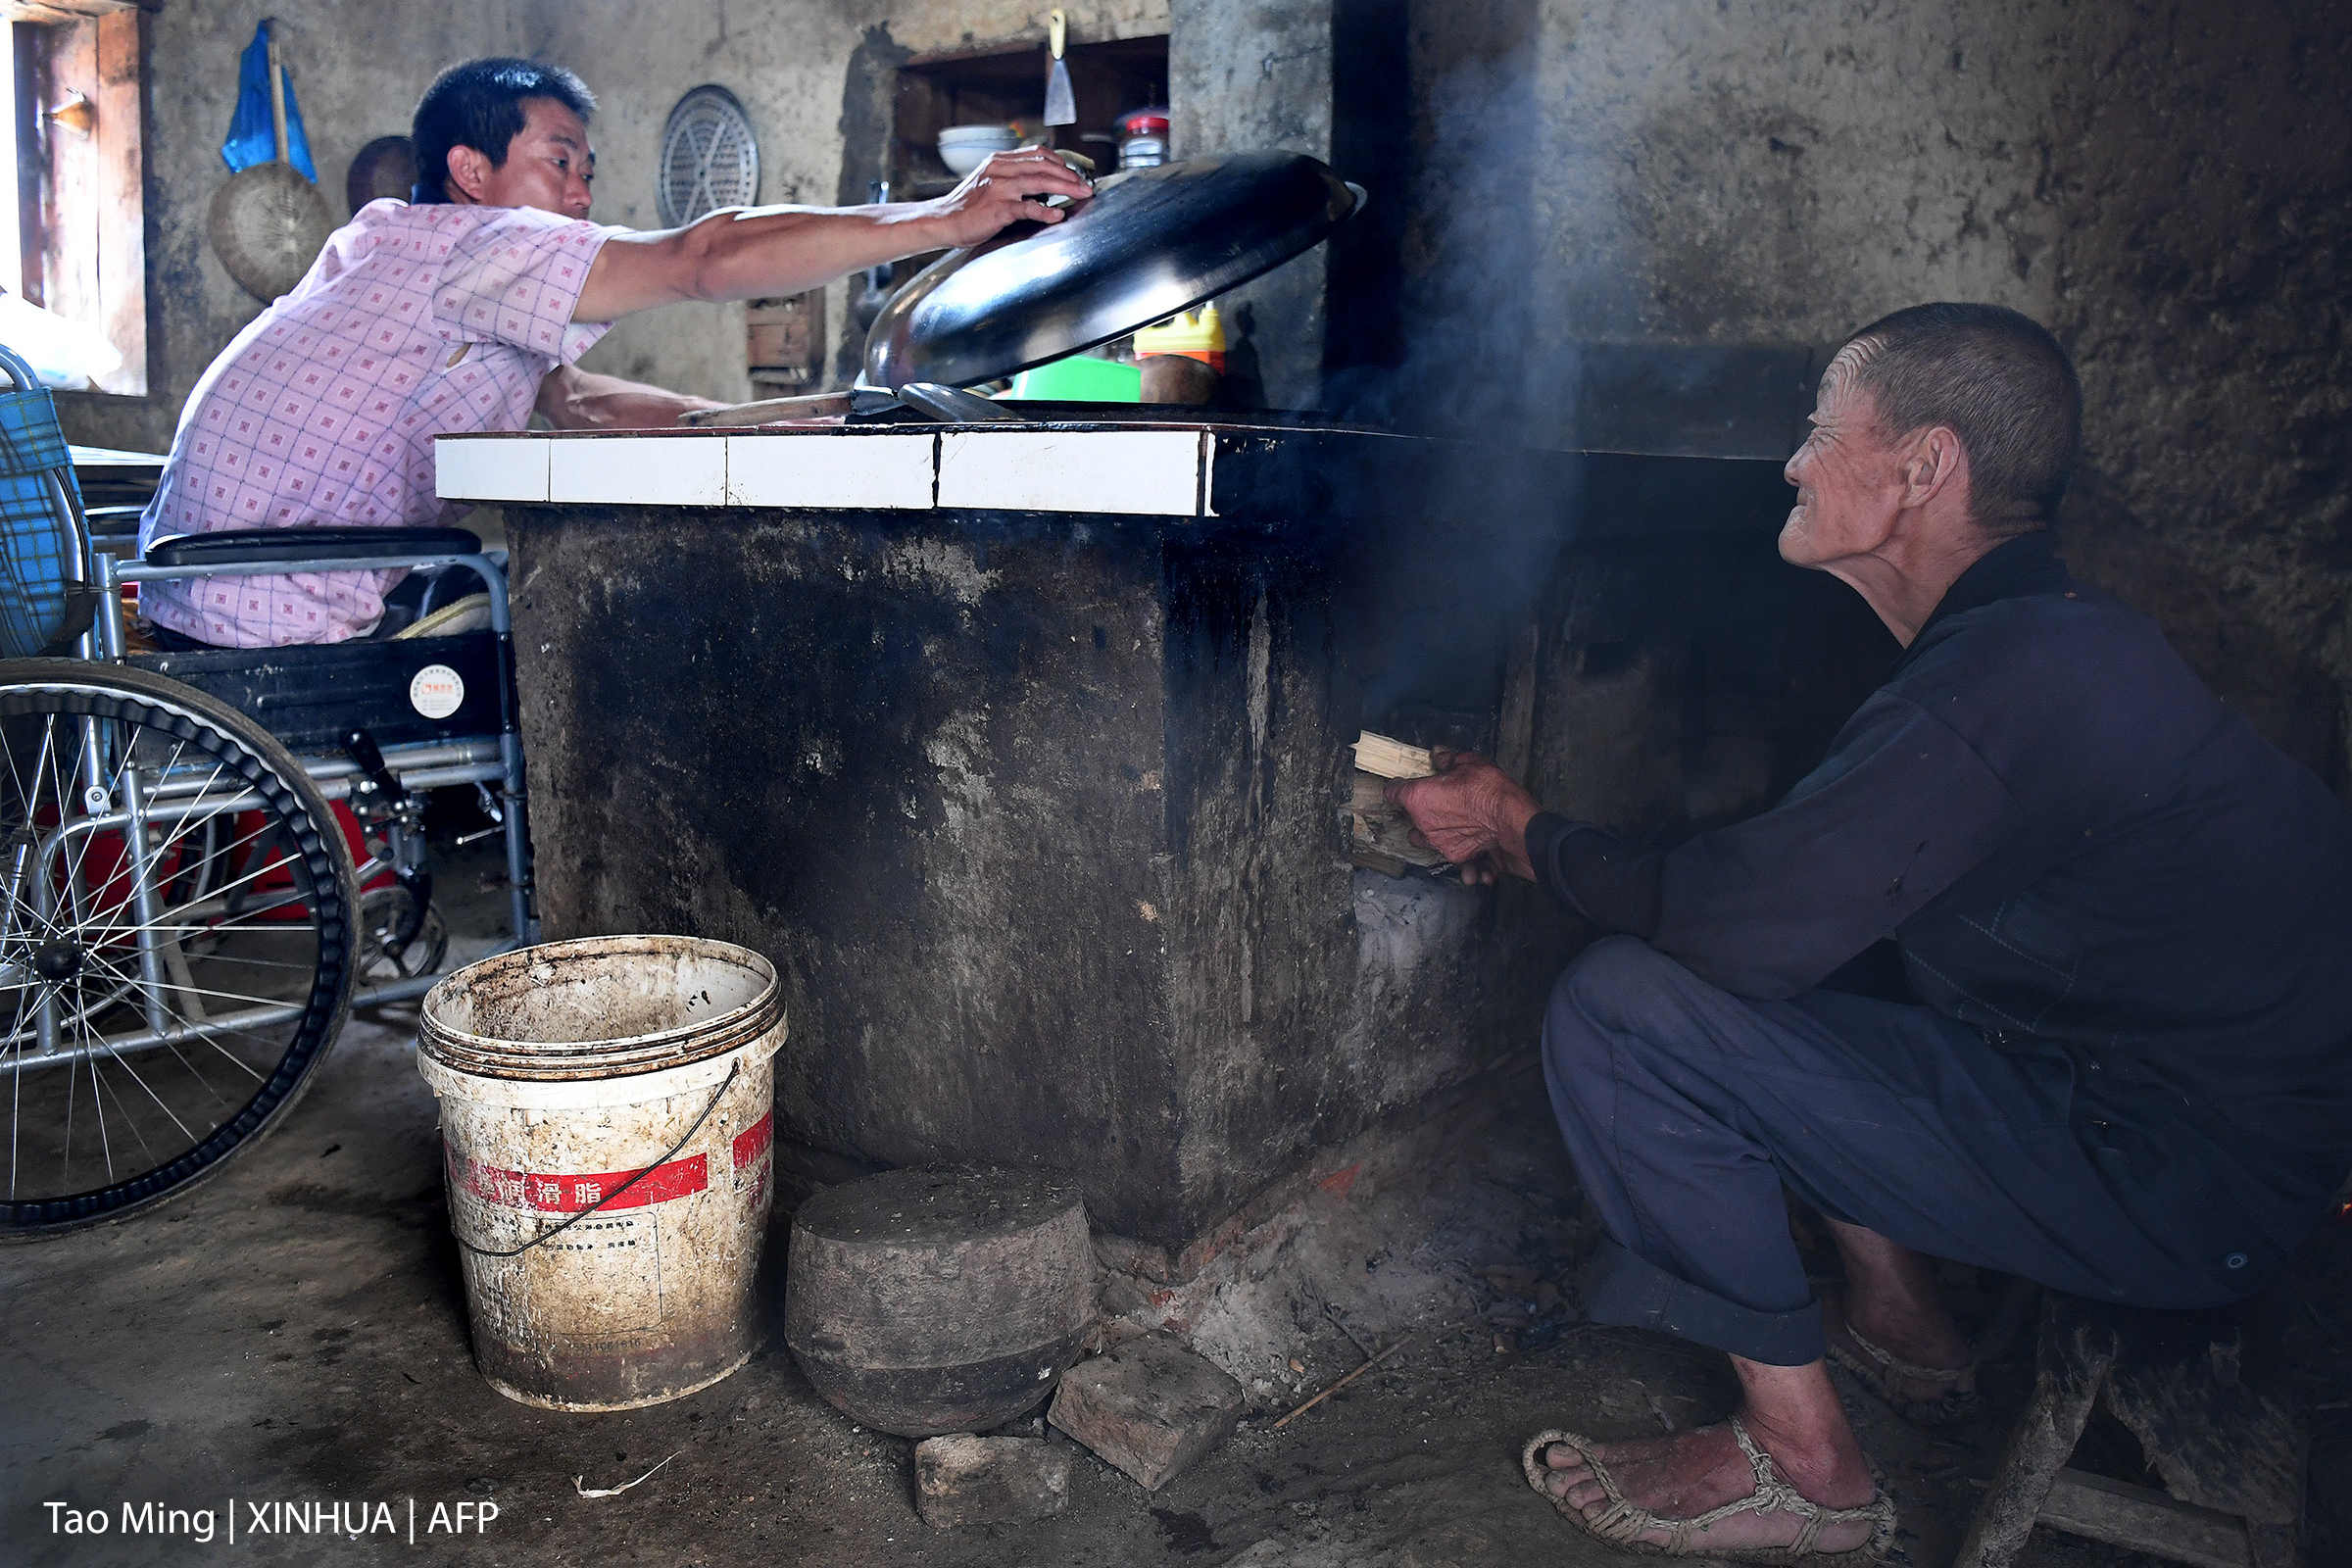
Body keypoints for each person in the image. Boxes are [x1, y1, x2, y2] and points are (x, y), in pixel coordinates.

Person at [1388, 303, 2352, 1563]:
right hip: (2197, 1125)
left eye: (1816, 431)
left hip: (2190, 1181)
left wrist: (1522, 829)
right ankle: (1904, 1323)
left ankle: (1806, 1469)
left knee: (1621, 1010)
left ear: (1923, 468)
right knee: (1824, 936)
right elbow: (1799, 902)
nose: (1791, 463)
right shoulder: (2047, 641)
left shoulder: (2008, 683)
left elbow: (1733, 921)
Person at [137, 58, 1088, 648]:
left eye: (589, 171)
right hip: (268, 608)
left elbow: (582, 401)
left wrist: (790, 424)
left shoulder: (414, 260)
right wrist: (944, 217)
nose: (583, 193)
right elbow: (705, 258)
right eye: (559, 162)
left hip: (197, 589)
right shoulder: (466, 244)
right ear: (472, 172)